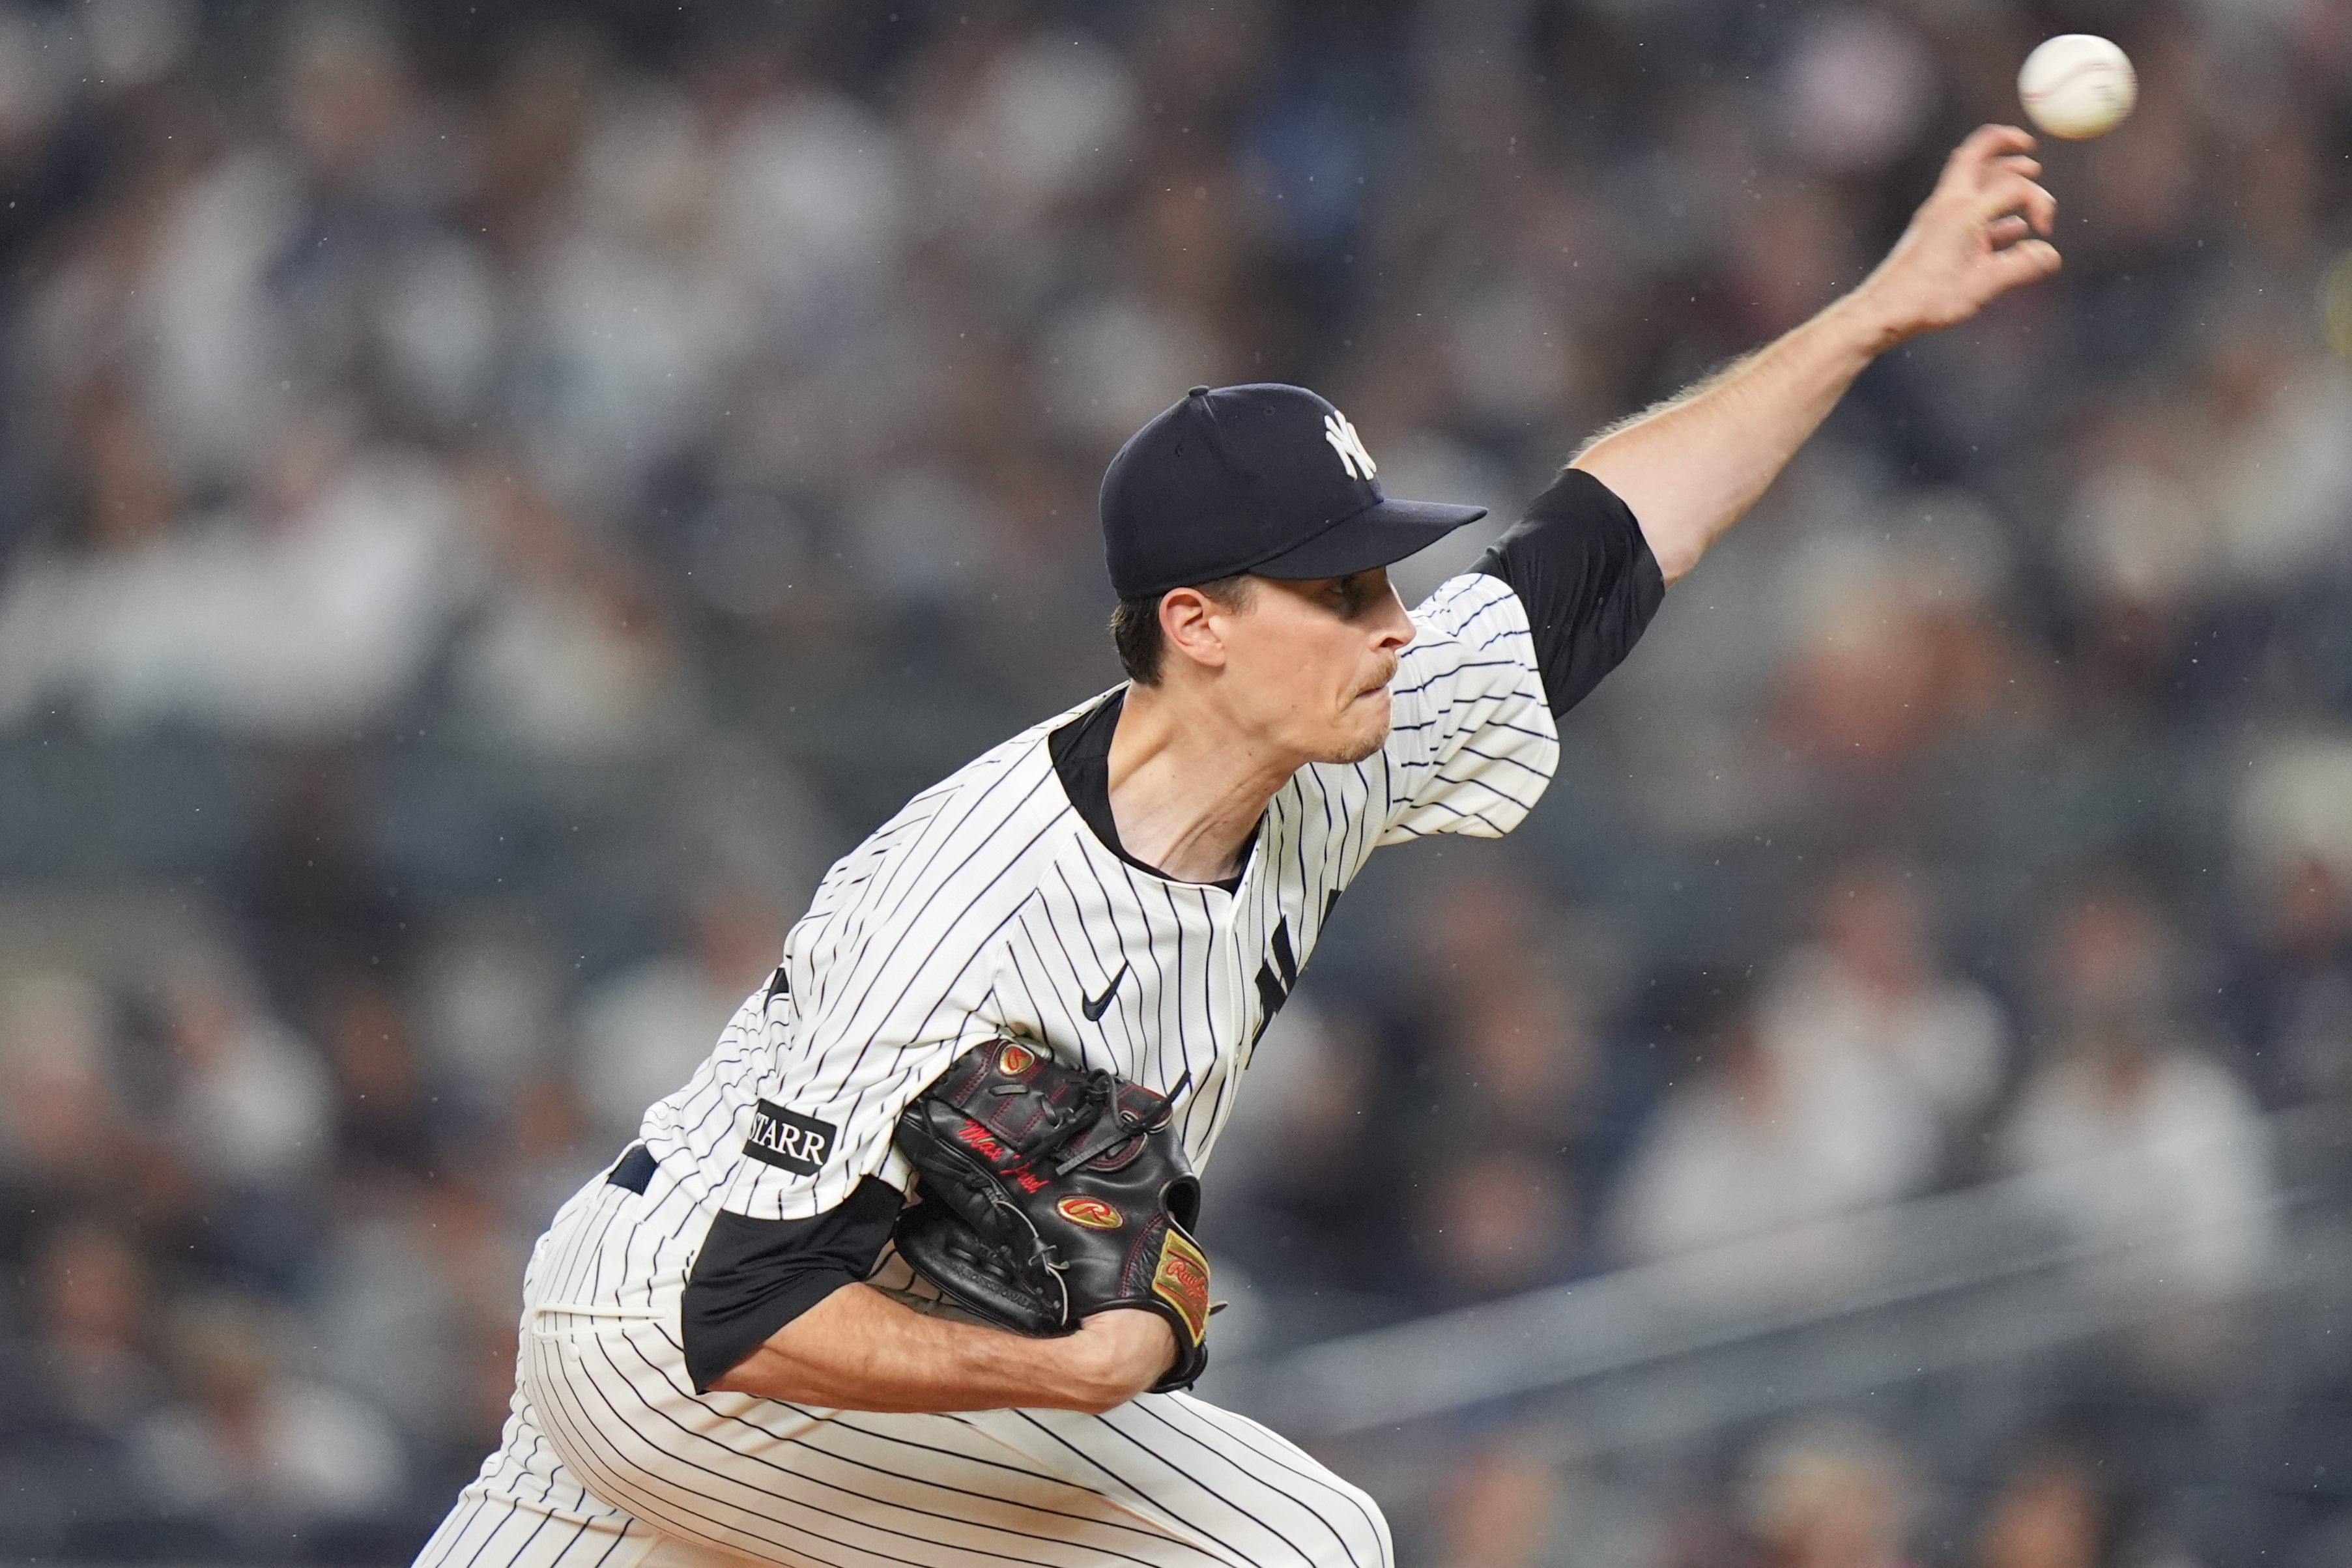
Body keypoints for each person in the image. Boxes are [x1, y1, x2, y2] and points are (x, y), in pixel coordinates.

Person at [416, 126, 2060, 1568]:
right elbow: (746, 1305)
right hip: (689, 1348)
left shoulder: (1337, 731)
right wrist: (1060, 1370)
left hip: (737, 1331)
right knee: (1292, 1541)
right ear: (1196, 624)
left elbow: (1597, 545)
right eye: (1343, 588)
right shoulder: (970, 908)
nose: (1395, 624)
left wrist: (1865, 316)